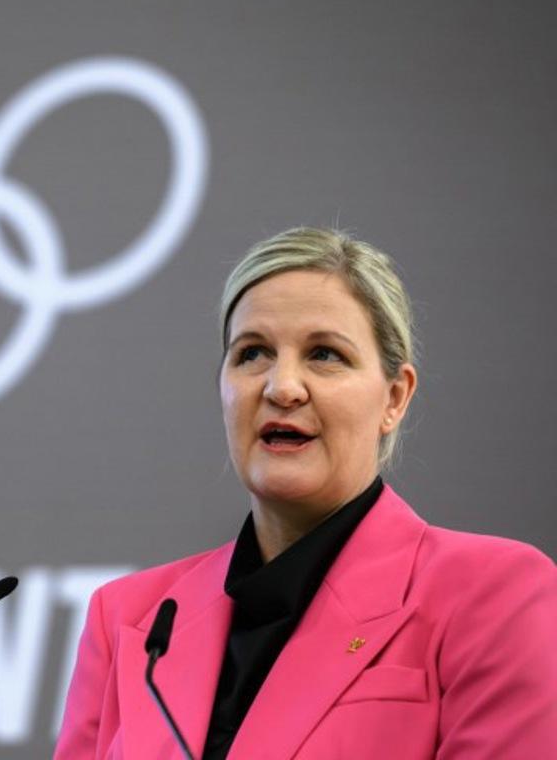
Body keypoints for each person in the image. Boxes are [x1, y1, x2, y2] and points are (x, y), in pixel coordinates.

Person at [54, 227, 557, 759]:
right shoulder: (132, 619)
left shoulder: (493, 595)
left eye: (324, 354)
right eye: (252, 354)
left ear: (394, 397)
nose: (281, 387)